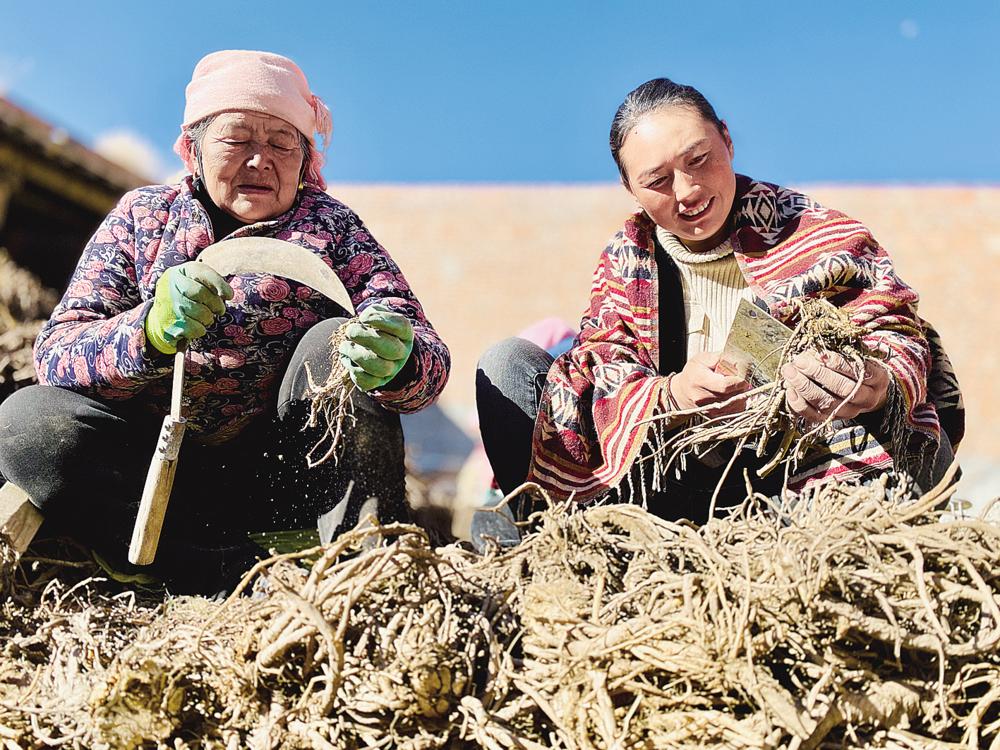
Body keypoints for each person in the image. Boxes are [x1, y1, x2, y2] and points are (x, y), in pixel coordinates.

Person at [0, 50, 450, 593]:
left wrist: (399, 360)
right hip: (154, 476)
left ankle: (360, 561)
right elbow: (56, 354)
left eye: (282, 142)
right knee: (29, 422)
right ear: (192, 149)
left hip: (285, 472)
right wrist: (146, 331)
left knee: (336, 343)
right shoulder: (144, 217)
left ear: (306, 159)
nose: (260, 160)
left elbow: (425, 351)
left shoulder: (332, 228)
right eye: (237, 139)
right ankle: (205, 567)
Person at [476, 78, 963, 523]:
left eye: (699, 160)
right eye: (658, 181)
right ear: (630, 188)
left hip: (805, 470)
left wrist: (871, 381)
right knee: (507, 364)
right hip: (666, 483)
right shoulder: (625, 265)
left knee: (903, 418)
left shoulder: (816, 235)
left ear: (727, 141)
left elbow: (893, 329)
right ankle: (556, 544)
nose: (687, 192)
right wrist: (672, 396)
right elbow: (601, 365)